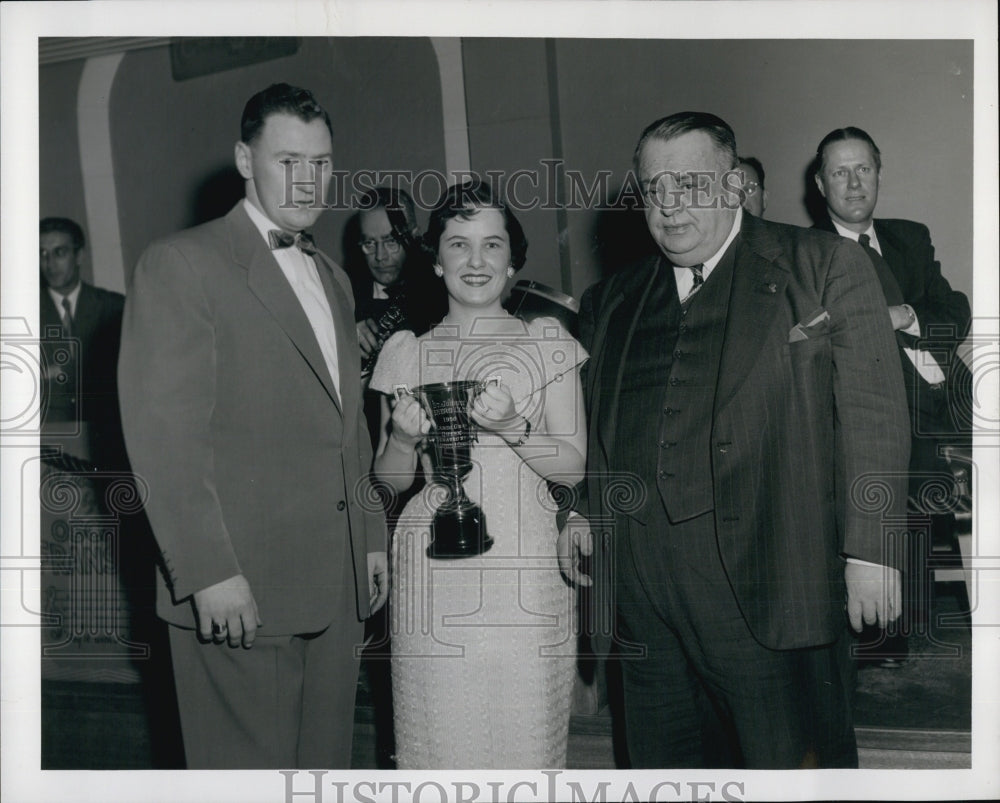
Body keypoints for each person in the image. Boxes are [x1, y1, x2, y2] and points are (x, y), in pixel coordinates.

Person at [560, 112, 911, 768]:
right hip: (646, 597)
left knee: (787, 767)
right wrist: (582, 505)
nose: (668, 206)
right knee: (664, 770)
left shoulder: (821, 265)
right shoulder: (612, 298)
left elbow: (875, 412)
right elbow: (602, 418)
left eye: (690, 184)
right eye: (654, 189)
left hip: (769, 584)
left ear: (733, 185)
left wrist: (873, 549)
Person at [117, 83, 388, 769]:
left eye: (322, 162)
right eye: (288, 159)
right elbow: (163, 436)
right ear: (244, 158)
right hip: (239, 585)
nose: (308, 179)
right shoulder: (181, 263)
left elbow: (346, 426)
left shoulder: (332, 275)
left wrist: (370, 536)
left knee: (321, 771)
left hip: (335, 583)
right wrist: (208, 571)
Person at [368, 180, 587, 768]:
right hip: (431, 567)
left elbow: (571, 465)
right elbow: (386, 483)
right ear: (436, 261)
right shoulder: (405, 351)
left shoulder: (547, 342)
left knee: (526, 737)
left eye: (492, 245)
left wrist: (514, 424)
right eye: (458, 244)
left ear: (513, 261)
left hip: (529, 567)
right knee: (440, 740)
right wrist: (401, 438)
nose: (476, 260)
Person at [813, 126, 973, 665]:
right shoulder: (808, 254)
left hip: (947, 402)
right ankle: (885, 644)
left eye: (864, 169)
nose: (854, 183)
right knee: (894, 503)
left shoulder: (910, 238)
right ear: (820, 184)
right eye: (840, 171)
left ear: (879, 175)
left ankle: (921, 632)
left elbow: (955, 312)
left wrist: (905, 315)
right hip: (877, 415)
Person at [39, 217, 125, 466]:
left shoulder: (114, 307)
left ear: (79, 256)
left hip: (106, 437)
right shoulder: (20, 312)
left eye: (60, 252)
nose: (49, 263)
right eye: (42, 253)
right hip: (48, 444)